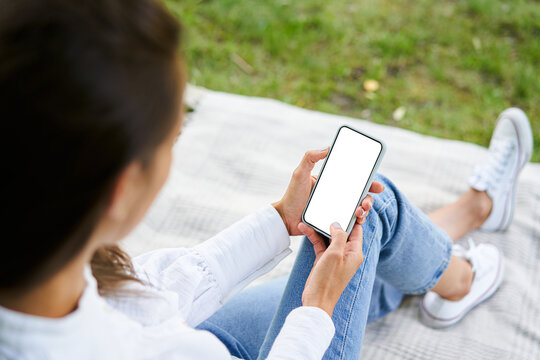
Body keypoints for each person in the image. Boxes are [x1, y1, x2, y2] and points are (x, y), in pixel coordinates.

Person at [0, 0, 533, 359]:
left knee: (346, 247)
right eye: (172, 135)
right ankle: (460, 268)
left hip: (196, 337)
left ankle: (447, 239)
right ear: (119, 191)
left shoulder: (50, 272)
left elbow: (156, 295)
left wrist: (283, 220)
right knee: (375, 215)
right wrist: (316, 312)